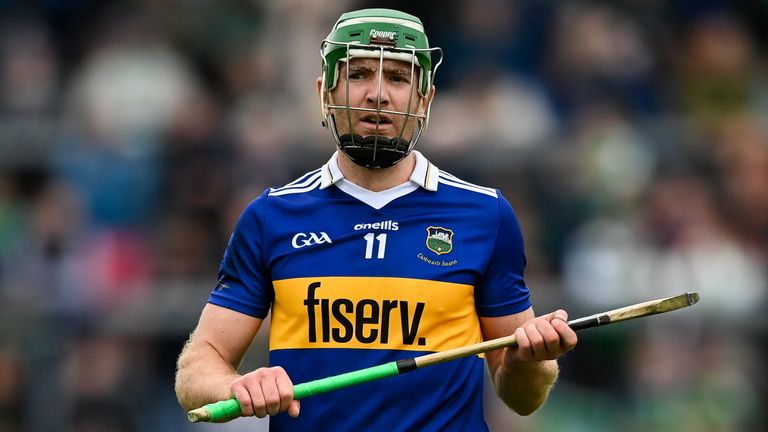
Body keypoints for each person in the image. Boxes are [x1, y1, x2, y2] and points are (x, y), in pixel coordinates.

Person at [175, 8, 577, 431]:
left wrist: (532, 361)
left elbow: (523, 398)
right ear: (325, 93)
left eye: (399, 78)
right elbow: (198, 367)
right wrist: (239, 387)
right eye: (360, 73)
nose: (378, 94)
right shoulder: (271, 216)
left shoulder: (485, 215)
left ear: (425, 99)